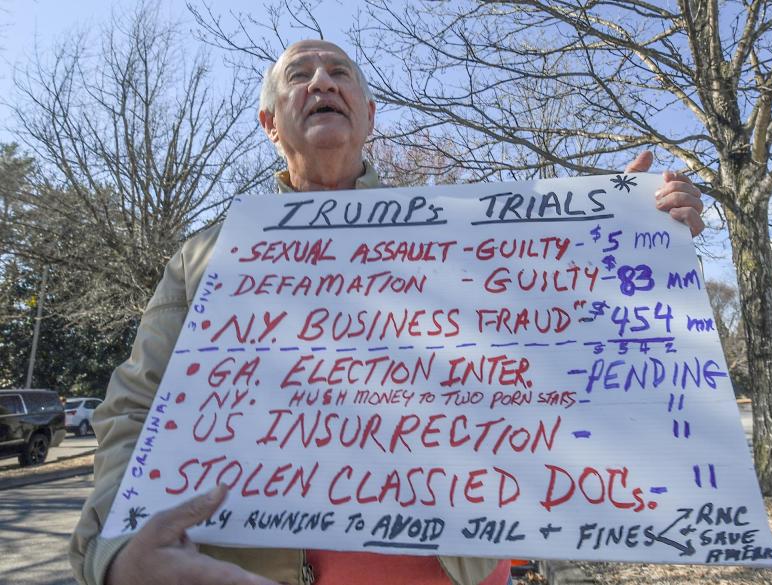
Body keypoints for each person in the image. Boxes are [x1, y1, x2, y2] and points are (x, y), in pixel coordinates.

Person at [69, 39, 705, 585]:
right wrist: (116, 554)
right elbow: (133, 408)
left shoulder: (468, 234)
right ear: (270, 123)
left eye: (339, 72)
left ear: (369, 116)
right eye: (300, 75)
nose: (321, 80)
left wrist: (629, 235)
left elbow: (559, 349)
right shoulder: (204, 254)